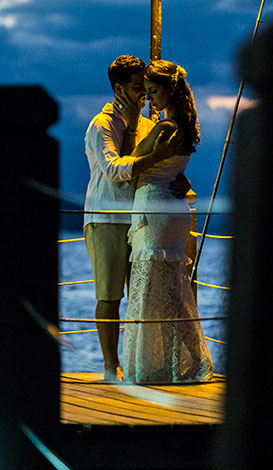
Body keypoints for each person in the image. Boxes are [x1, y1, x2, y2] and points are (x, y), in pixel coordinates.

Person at [84, 55, 189, 381]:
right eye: (136, 88)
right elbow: (115, 170)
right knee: (110, 295)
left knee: (145, 295)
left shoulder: (148, 123)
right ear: (118, 88)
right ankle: (109, 367)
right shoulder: (101, 125)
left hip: (142, 220)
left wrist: (180, 180)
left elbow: (157, 168)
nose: (144, 94)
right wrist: (149, 150)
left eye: (145, 88)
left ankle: (146, 364)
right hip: (107, 218)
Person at [120, 60, 213, 384]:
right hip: (173, 208)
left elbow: (132, 162)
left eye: (154, 91)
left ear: (169, 89)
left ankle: (151, 366)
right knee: (174, 290)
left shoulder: (165, 128)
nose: (151, 98)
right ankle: (187, 361)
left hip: (156, 208)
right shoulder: (185, 127)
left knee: (150, 289)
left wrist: (133, 122)